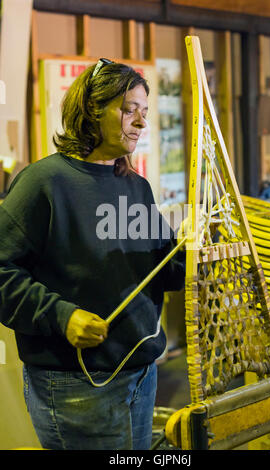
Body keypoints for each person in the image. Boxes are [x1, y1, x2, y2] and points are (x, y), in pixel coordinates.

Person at [0, 59, 185, 450]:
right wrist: (62, 316)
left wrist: (200, 254)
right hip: (76, 383)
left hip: (142, 374)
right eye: (128, 109)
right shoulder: (44, 183)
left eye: (144, 112)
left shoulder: (135, 187)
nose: (140, 123)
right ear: (90, 110)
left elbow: (164, 269)